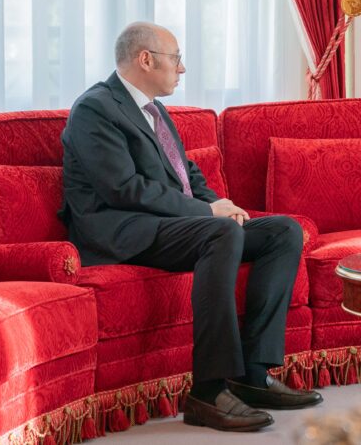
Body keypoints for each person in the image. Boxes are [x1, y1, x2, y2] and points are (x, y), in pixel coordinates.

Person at [60, 22, 322, 432]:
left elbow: (184, 174)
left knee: (282, 232)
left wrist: (220, 204)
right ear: (146, 60)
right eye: (176, 58)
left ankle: (252, 375)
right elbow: (123, 188)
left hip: (167, 225)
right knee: (222, 233)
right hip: (123, 231)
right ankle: (208, 391)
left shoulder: (154, 109)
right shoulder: (95, 109)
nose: (182, 69)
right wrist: (206, 214)